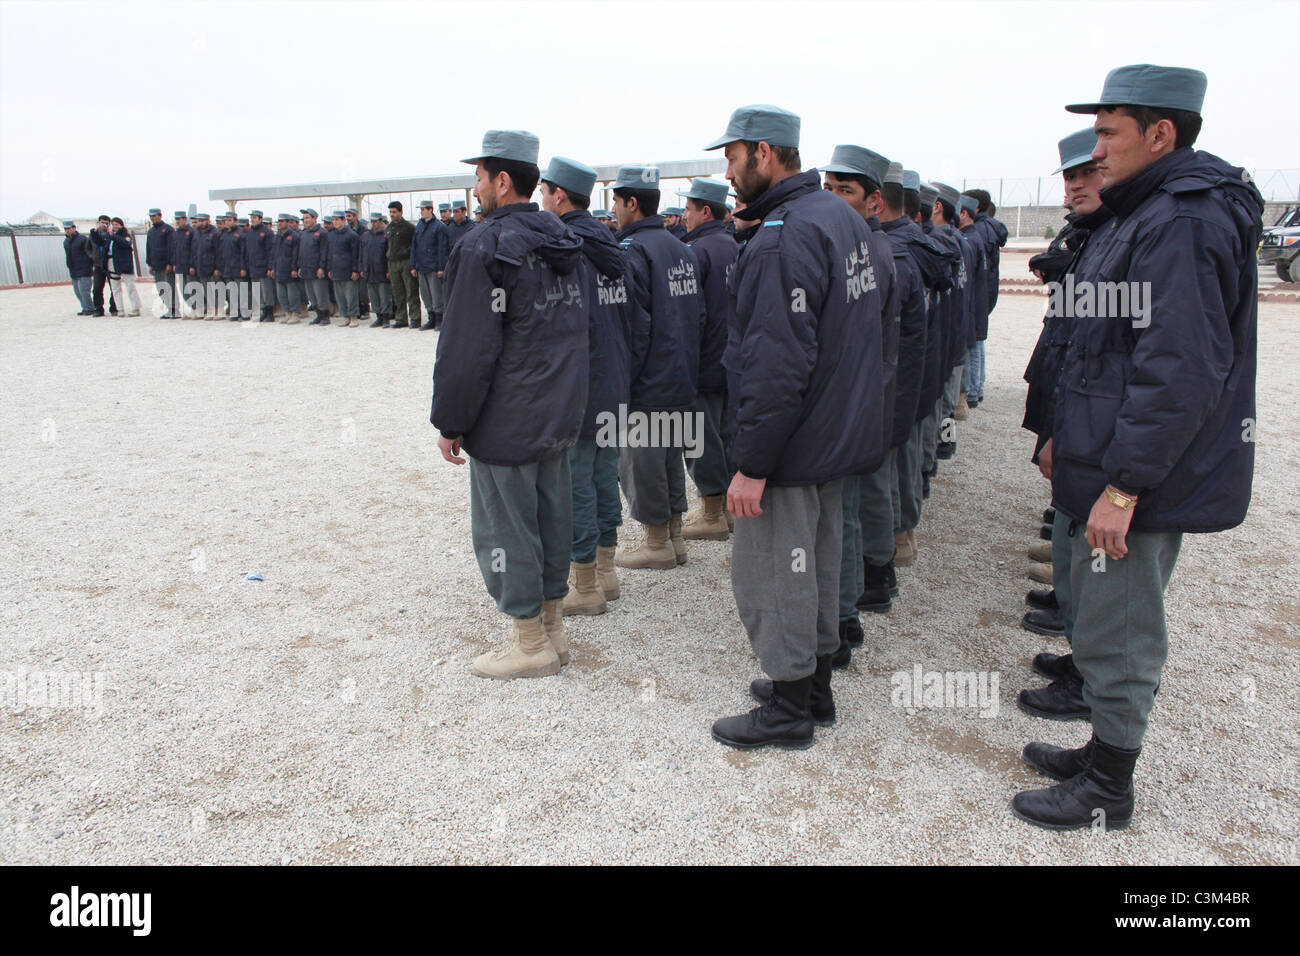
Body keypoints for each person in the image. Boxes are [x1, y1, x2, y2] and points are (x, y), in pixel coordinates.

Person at [1011, 64, 1262, 831]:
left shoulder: (1181, 221)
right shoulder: (1144, 211)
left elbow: (1178, 369)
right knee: (1105, 615)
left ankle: (1108, 788)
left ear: (1162, 134)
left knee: (1122, 628)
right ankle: (1099, 753)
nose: (1098, 147)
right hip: (1110, 461)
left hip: (1138, 480)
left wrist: (1124, 486)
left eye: (1110, 133)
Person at [703, 105, 885, 749]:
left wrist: (753, 463)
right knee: (819, 564)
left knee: (775, 573)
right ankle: (815, 688)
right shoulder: (842, 217)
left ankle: (788, 708)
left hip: (790, 444)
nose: (726, 171)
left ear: (763, 152)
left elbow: (775, 363)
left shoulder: (784, 235)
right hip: (833, 438)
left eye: (730, 157)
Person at [431, 129, 587, 680]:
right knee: (549, 519)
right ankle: (553, 628)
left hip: (507, 417)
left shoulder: (482, 247)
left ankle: (529, 642)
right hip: (556, 414)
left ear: (502, 181)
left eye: (478, 177)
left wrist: (451, 420)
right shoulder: (565, 243)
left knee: (505, 529)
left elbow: (467, 348)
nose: (474, 188)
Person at [1016, 128, 1113, 720]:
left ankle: (1095, 697)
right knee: (1079, 551)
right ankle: (1081, 656)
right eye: (1070, 176)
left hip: (1103, 434)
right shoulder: (1097, 235)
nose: (1076, 183)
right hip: (1077, 414)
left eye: (1088, 171)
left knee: (1108, 580)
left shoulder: (1137, 235)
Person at [538, 156, 632, 616]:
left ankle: (586, 584)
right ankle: (607, 573)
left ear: (559, 195)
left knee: (577, 482)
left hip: (580, 386)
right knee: (602, 477)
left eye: (544, 191)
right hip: (614, 381)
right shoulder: (612, 245)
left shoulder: (564, 249)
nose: (541, 199)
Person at [608, 165, 704, 573]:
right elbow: (697, 313)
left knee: (641, 460)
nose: (613, 208)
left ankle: (655, 542)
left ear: (632, 202)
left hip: (648, 377)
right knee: (668, 455)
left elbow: (634, 325)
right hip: (680, 370)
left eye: (615, 200)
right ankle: (675, 536)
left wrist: (624, 380)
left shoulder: (633, 250)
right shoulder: (679, 246)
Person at [821, 145, 898, 648]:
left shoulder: (871, 252)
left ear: (874, 201)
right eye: (827, 190)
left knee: (840, 520)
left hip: (853, 406)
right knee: (841, 517)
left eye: (845, 192)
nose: (832, 200)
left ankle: (843, 619)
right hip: (854, 404)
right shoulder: (854, 246)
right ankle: (844, 615)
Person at [880, 163, 951, 571]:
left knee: (893, 464)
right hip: (922, 372)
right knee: (905, 461)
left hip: (902, 380)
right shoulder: (927, 247)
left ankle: (897, 539)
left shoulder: (897, 254)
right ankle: (903, 535)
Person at [677, 178, 738, 543]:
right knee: (726, 432)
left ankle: (712, 510)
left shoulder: (696, 252)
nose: (684, 216)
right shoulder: (734, 247)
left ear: (705, 211)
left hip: (703, 359)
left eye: (688, 208)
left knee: (699, 438)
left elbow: (691, 315)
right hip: (732, 358)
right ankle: (729, 508)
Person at [411, 199, 450, 330]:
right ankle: (431, 318)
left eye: (423, 209)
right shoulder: (419, 226)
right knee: (425, 294)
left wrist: (440, 267)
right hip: (422, 266)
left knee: (436, 294)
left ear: (430, 210)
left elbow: (442, 248)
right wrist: (413, 265)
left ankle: (439, 319)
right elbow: (414, 246)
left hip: (433, 266)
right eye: (420, 209)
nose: (421, 212)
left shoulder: (439, 227)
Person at [325, 210, 362, 327]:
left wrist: (355, 270)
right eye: (333, 220)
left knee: (351, 295)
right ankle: (345, 316)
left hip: (349, 270)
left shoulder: (352, 235)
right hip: (336, 270)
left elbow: (356, 254)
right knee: (340, 296)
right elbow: (329, 253)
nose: (335, 222)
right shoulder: (331, 235)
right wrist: (329, 268)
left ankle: (354, 317)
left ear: (343, 220)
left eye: (337, 220)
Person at [385, 201, 418, 329]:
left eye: (394, 212)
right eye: (390, 212)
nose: (392, 215)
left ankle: (415, 318)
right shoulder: (389, 228)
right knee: (397, 292)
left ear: (400, 212)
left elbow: (414, 246)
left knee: (411, 290)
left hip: (406, 261)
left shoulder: (409, 228)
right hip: (393, 262)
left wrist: (413, 264)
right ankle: (401, 318)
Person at [298, 208, 331, 325]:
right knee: (311, 295)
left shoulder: (322, 233)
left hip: (317, 269)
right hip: (306, 269)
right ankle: (318, 315)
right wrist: (300, 266)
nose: (305, 220)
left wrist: (322, 267)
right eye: (304, 218)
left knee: (320, 294)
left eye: (307, 218)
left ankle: (325, 317)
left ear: (314, 218)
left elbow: (324, 252)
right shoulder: (304, 233)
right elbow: (301, 252)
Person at [360, 212, 393, 328]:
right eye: (372, 221)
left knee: (384, 296)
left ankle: (386, 318)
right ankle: (378, 317)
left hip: (382, 270)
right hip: (370, 270)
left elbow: (390, 254)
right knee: (373, 296)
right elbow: (362, 253)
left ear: (381, 221)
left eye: (376, 221)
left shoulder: (386, 235)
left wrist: (389, 270)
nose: (374, 223)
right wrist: (362, 268)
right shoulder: (365, 236)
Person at [271, 213, 304, 324]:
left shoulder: (294, 236)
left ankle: (295, 314)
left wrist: (295, 268)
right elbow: (274, 254)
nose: (280, 223)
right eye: (279, 221)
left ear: (288, 222)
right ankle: (287, 313)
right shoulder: (277, 237)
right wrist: (272, 268)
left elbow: (296, 254)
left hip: (290, 270)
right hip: (279, 269)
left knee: (292, 294)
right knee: (281, 294)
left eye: (282, 221)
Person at [106, 217, 142, 316]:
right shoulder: (109, 236)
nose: (115, 226)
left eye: (117, 224)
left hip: (125, 263)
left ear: (121, 225)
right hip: (112, 262)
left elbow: (126, 243)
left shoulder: (125, 235)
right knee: (115, 288)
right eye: (113, 224)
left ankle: (136, 308)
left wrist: (113, 236)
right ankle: (120, 309)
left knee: (130, 286)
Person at [245, 210, 277, 321]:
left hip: (264, 267)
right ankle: (263, 310)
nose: (252, 219)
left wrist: (270, 267)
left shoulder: (267, 232)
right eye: (251, 217)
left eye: (254, 217)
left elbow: (271, 251)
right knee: (258, 291)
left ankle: (270, 313)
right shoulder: (249, 233)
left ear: (260, 219)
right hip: (253, 267)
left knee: (267, 290)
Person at [189, 212, 220, 318]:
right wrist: (193, 265)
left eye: (203, 221)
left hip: (211, 266)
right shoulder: (196, 233)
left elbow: (218, 252)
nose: (200, 223)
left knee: (213, 290)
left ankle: (217, 310)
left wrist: (217, 267)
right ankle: (210, 310)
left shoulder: (214, 233)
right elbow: (194, 250)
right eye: (199, 221)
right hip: (200, 266)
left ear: (208, 221)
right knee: (206, 290)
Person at [145, 208, 174, 319]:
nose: (153, 218)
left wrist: (170, 263)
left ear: (160, 216)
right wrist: (150, 263)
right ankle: (168, 308)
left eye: (155, 216)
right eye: (151, 216)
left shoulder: (168, 230)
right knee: (161, 288)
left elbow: (171, 248)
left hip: (166, 264)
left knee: (169, 287)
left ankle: (174, 309)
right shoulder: (151, 231)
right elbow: (149, 248)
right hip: (156, 264)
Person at [62, 220, 95, 315]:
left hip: (84, 268)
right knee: (77, 291)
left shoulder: (83, 239)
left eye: (69, 228)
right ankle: (85, 308)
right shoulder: (66, 241)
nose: (67, 230)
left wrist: (89, 264)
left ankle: (90, 308)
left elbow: (90, 252)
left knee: (84, 290)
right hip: (73, 269)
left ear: (74, 228)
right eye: (65, 229)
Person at [88, 215, 118, 316]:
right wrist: (93, 257)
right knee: (97, 288)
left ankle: (114, 308)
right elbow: (88, 248)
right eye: (102, 222)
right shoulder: (93, 235)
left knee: (114, 287)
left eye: (106, 223)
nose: (104, 225)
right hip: (98, 265)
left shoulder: (112, 235)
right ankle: (98, 309)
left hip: (109, 264)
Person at [168, 211, 195, 318]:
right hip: (180, 265)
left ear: (185, 219)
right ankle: (191, 307)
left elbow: (194, 250)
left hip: (189, 266)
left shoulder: (191, 232)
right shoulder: (177, 232)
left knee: (192, 288)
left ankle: (197, 308)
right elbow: (174, 249)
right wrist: (174, 263)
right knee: (183, 290)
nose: (178, 221)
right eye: (177, 219)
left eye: (180, 219)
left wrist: (193, 265)